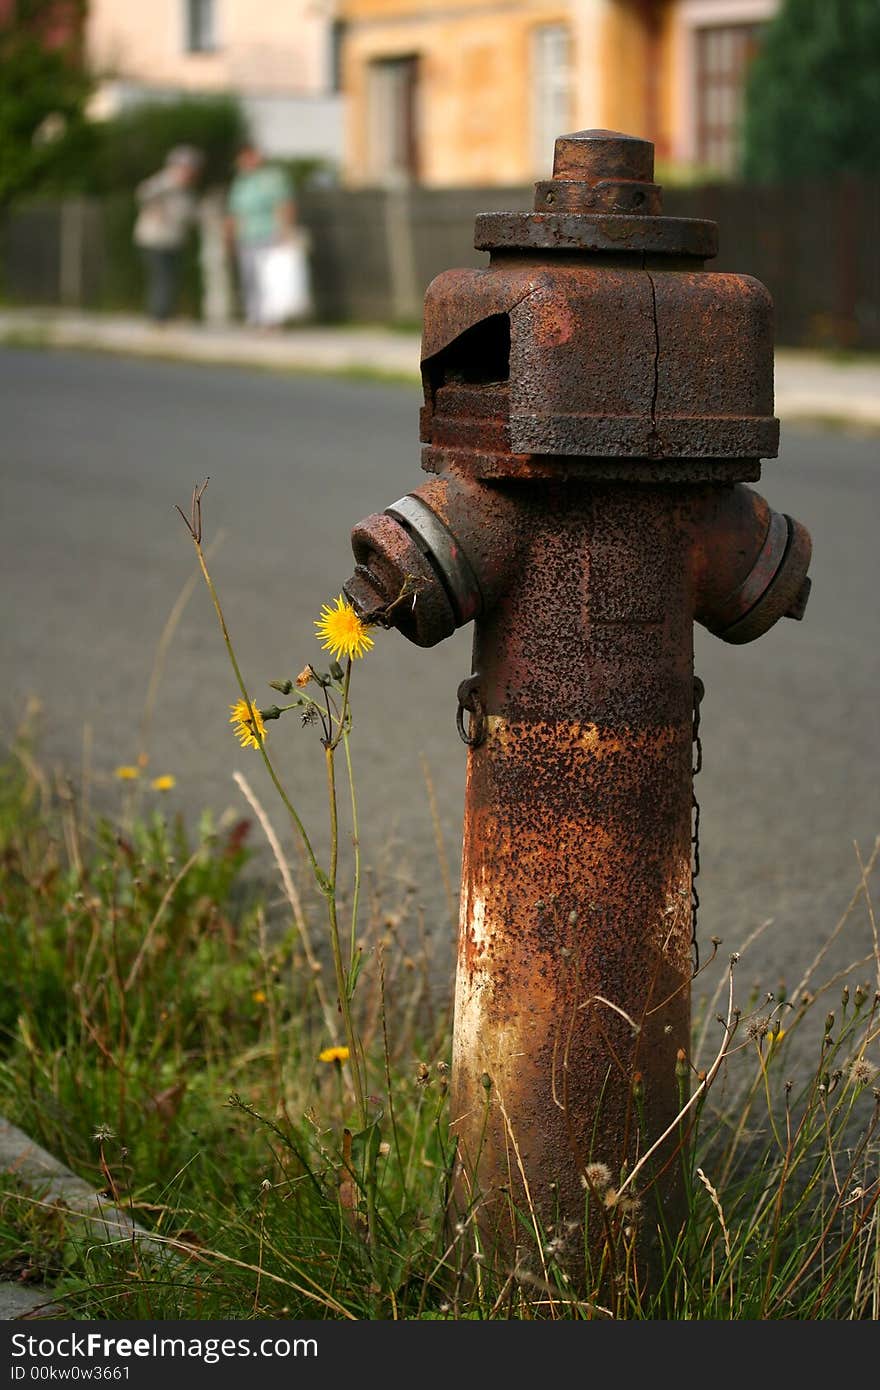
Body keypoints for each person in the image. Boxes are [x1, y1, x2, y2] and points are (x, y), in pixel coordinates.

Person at [226, 142, 301, 327]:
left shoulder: (273, 178)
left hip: (270, 234)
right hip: (247, 236)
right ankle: (255, 317)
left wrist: (285, 231)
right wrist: (231, 237)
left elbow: (284, 205)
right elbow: (235, 212)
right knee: (250, 278)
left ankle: (272, 319)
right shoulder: (241, 181)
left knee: (271, 278)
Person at [133, 145, 202, 323]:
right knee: (162, 277)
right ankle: (159, 316)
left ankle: (165, 314)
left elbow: (190, 214)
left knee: (172, 277)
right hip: (154, 239)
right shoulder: (164, 182)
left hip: (174, 240)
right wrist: (155, 208)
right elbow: (143, 194)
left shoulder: (186, 190)